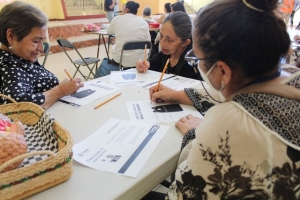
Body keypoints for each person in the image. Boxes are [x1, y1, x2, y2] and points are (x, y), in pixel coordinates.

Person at [143, 0, 300, 199]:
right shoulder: (290, 76)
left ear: (223, 70)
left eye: (196, 59)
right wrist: (175, 94)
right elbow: (218, 93)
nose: (196, 64)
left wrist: (196, 134)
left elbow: (184, 193)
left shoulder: (230, 123)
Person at [0, 1, 84, 109]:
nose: (41, 48)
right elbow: (19, 107)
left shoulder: (20, 56)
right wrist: (61, 90)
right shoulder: (9, 66)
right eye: (35, 41)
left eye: (42, 41)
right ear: (11, 36)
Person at [136, 12, 200, 80]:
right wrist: (142, 65)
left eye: (170, 40)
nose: (162, 43)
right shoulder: (164, 56)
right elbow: (151, 66)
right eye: (161, 36)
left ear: (185, 42)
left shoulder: (192, 65)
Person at [95, 1, 151, 77]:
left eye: (123, 7)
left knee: (116, 47)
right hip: (140, 61)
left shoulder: (117, 19)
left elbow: (109, 31)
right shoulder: (144, 23)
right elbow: (148, 42)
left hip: (120, 60)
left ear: (127, 9)